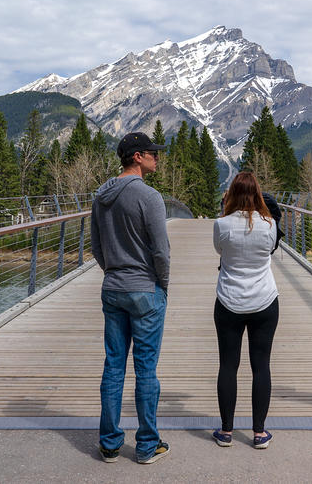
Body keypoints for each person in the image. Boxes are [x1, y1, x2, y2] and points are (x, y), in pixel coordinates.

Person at [92, 132, 171, 464]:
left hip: (112, 288)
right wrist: (162, 285)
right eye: (152, 152)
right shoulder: (149, 197)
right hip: (144, 289)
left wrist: (112, 271)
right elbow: (161, 251)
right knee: (145, 368)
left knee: (113, 365)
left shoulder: (101, 195)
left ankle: (109, 444)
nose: (157, 157)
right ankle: (146, 445)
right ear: (137, 157)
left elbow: (96, 247)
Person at [211, 172, 280, 449]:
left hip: (229, 301)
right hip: (264, 300)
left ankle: (226, 431)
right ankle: (259, 433)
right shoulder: (269, 224)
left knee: (228, 365)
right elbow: (271, 250)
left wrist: (224, 210)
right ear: (258, 194)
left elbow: (220, 250)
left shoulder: (221, 224)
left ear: (231, 194)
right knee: (261, 366)